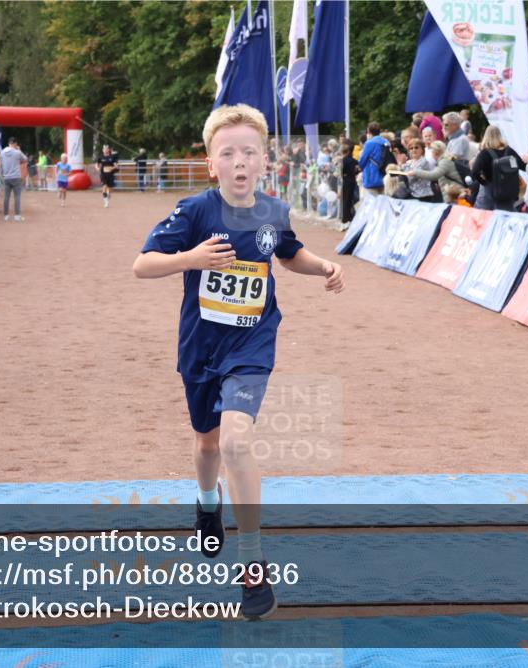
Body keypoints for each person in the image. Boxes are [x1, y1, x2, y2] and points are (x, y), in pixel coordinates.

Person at [132, 104, 343, 621]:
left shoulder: (274, 211)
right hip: (201, 350)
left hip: (252, 347)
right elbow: (142, 265)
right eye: (228, 153)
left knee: (235, 440)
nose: (240, 161)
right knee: (206, 444)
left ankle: (252, 565)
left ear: (264, 160)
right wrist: (190, 259)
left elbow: (288, 253)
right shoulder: (194, 212)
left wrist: (322, 268)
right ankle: (208, 504)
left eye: (249, 152)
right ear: (212, 164)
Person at [471, 126, 525, 211]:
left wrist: (485, 183)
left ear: (486, 136)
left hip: (490, 193)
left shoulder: (484, 153)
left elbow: (475, 172)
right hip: (509, 191)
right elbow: (523, 166)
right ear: (500, 135)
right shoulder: (509, 151)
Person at [357, 122, 389, 198]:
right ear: (379, 130)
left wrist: (359, 167)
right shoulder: (386, 142)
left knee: (372, 205)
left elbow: (363, 160)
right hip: (384, 175)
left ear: (368, 131)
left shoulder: (369, 143)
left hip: (371, 176)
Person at [0, 137, 27, 221]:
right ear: (15, 144)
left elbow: (0, 165)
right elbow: (25, 159)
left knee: (6, 197)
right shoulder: (17, 152)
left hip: (6, 177)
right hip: (16, 177)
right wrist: (19, 150)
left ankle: (6, 216)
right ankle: (17, 216)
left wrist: (2, 175)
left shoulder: (2, 152)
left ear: (9, 143)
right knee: (17, 196)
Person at [340, 142, 359, 225]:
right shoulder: (355, 161)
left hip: (346, 180)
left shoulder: (344, 160)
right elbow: (357, 170)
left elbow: (342, 171)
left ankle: (345, 218)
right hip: (353, 180)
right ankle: (350, 217)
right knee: (351, 199)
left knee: (346, 199)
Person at [97, 144, 118, 208]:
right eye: (104, 149)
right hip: (103, 174)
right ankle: (106, 202)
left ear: (108, 150)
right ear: (102, 150)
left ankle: (108, 195)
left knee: (110, 189)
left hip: (110, 174)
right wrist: (98, 168)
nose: (105, 150)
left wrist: (111, 168)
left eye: (106, 148)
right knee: (104, 186)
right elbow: (98, 165)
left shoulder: (112, 157)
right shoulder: (100, 157)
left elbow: (116, 166)